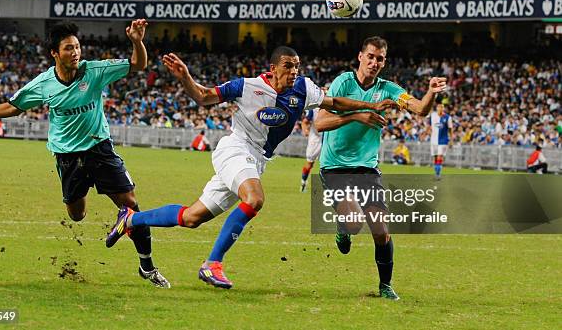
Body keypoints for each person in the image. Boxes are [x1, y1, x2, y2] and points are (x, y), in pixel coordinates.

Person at [105, 46, 399, 289]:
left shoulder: (304, 88)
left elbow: (334, 101)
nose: (293, 71)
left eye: (296, 65)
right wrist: (185, 78)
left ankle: (131, 220)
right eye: (287, 65)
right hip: (234, 150)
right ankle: (212, 264)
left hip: (256, 160)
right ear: (272, 68)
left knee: (191, 217)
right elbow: (204, 96)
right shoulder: (248, 87)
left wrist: (370, 108)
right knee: (255, 198)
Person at [0, 20, 171, 288]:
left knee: (132, 205)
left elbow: (138, 65)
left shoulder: (95, 70)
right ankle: (103, 208)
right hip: (68, 158)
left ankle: (146, 266)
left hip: (99, 148)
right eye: (69, 48)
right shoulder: (44, 84)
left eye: (77, 47)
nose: (76, 52)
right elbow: (13, 107)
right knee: (76, 215)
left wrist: (137, 41)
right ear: (55, 53)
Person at [316, 36, 447, 300]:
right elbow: (320, 122)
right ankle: (344, 227)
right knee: (353, 224)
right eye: (371, 57)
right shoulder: (343, 82)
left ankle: (385, 286)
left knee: (381, 231)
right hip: (335, 167)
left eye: (380, 59)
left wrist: (431, 92)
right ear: (360, 57)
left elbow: (420, 109)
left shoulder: (388, 89)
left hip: (366, 168)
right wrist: (356, 116)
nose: (375, 63)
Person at [429, 103, 453, 179]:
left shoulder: (448, 117)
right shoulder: (433, 115)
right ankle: (437, 172)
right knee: (435, 157)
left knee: (439, 156)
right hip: (433, 140)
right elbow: (430, 125)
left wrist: (451, 140)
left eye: (441, 107)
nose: (440, 108)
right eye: (438, 107)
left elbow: (450, 129)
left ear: (443, 108)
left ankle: (438, 174)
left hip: (443, 140)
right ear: (436, 108)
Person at [300, 108, 321, 192]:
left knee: (326, 163)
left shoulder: (333, 108)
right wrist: (305, 131)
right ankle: (303, 183)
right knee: (309, 163)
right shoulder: (314, 110)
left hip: (328, 140)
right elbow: (305, 122)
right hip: (315, 140)